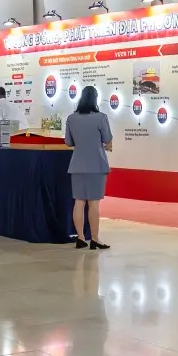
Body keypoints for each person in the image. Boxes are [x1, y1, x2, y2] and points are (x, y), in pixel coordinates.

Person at [63, 84, 113, 250]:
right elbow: (107, 138)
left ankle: (81, 238)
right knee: (94, 203)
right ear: (95, 99)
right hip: (97, 165)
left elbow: (68, 142)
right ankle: (95, 239)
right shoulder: (101, 117)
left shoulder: (71, 118)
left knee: (79, 202)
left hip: (77, 165)